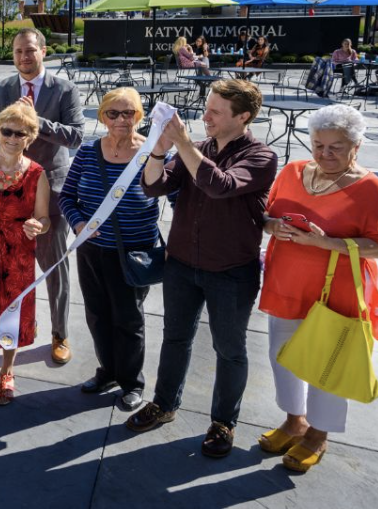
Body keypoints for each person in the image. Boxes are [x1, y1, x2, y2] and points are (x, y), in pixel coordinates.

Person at [129, 79, 278, 458]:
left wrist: (182, 143)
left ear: (243, 117)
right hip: (181, 264)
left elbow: (219, 185)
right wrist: (159, 152)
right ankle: (164, 404)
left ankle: (223, 422)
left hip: (231, 271)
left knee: (229, 349)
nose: (205, 116)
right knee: (175, 338)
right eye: (206, 107)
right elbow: (154, 186)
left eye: (215, 111)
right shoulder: (199, 148)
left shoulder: (260, 157)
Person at [259, 104, 378, 472]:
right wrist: (272, 225)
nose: (325, 154)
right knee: (282, 355)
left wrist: (326, 243)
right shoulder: (292, 171)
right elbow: (265, 214)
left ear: (356, 146)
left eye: (335, 147)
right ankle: (294, 420)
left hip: (338, 290)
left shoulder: (370, 188)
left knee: (328, 362)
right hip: (286, 280)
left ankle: (318, 434)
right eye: (318, 145)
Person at [0, 27, 85, 364]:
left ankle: (59, 333)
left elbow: (77, 137)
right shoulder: (1, 90)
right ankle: (2, 332)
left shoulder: (64, 89)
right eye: (18, 51)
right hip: (7, 197)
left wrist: (35, 122)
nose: (24, 57)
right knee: (4, 271)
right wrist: (11, 131)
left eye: (29, 50)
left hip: (49, 195)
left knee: (54, 270)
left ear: (43, 51)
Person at [60, 89, 161, 412]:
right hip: (92, 250)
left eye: (128, 113)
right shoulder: (88, 152)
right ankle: (108, 371)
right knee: (97, 314)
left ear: (139, 116)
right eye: (113, 113)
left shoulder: (152, 153)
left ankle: (132, 382)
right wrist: (78, 224)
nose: (121, 120)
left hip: (133, 253)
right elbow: (66, 197)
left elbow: (175, 196)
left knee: (128, 319)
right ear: (102, 117)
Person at [0, 101, 50, 405]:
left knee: (11, 315)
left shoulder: (37, 174)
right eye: (7, 131)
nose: (12, 138)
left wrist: (37, 226)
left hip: (16, 255)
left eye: (20, 133)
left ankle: (7, 370)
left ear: (30, 138)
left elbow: (44, 219)